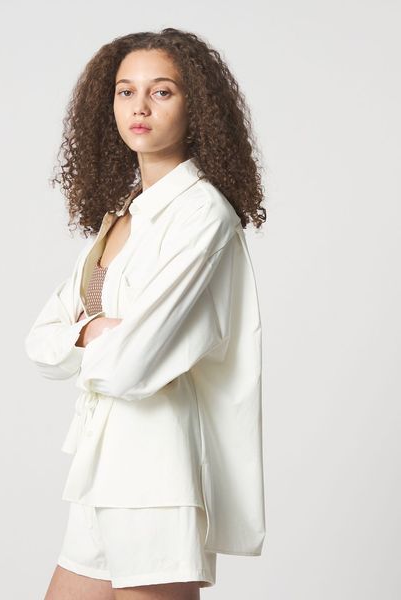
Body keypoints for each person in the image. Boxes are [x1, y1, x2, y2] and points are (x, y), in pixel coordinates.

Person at [25, 27, 267, 600]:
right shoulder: (121, 216)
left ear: (195, 106)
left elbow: (131, 368)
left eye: (161, 91)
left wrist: (85, 344)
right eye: (125, 91)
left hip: (158, 476)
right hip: (99, 470)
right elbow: (40, 343)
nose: (139, 106)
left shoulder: (203, 215)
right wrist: (91, 331)